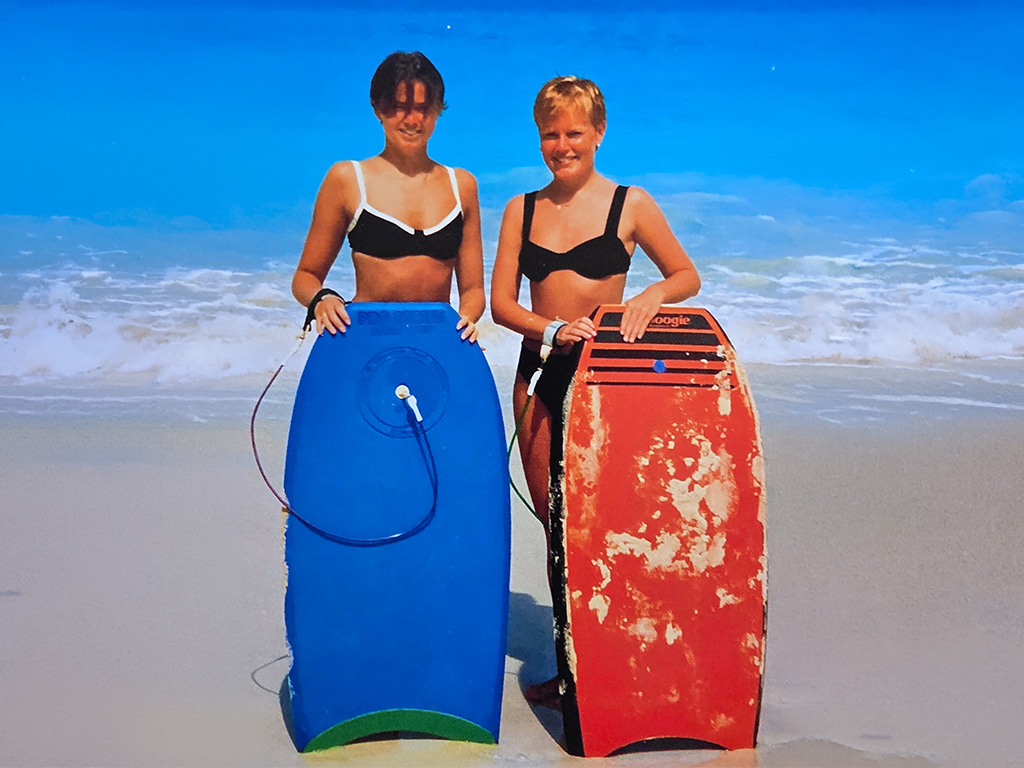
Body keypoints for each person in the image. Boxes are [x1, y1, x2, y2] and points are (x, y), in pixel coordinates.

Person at [490, 76, 701, 709]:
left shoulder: (631, 204)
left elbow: (686, 274)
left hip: (610, 385)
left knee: (609, 528)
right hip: (539, 382)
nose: (562, 145)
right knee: (559, 533)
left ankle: (631, 660)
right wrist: (549, 328)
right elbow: (500, 305)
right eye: (550, 134)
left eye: (574, 132)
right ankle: (575, 671)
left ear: (598, 133)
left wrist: (647, 299)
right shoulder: (520, 209)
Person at [292, 51, 484, 341]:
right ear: (377, 108)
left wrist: (466, 318)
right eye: (399, 107)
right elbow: (305, 276)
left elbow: (473, 290)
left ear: (437, 110)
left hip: (435, 341)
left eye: (424, 107)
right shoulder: (347, 179)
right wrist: (323, 299)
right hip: (366, 339)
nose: (413, 119)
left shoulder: (462, 185)